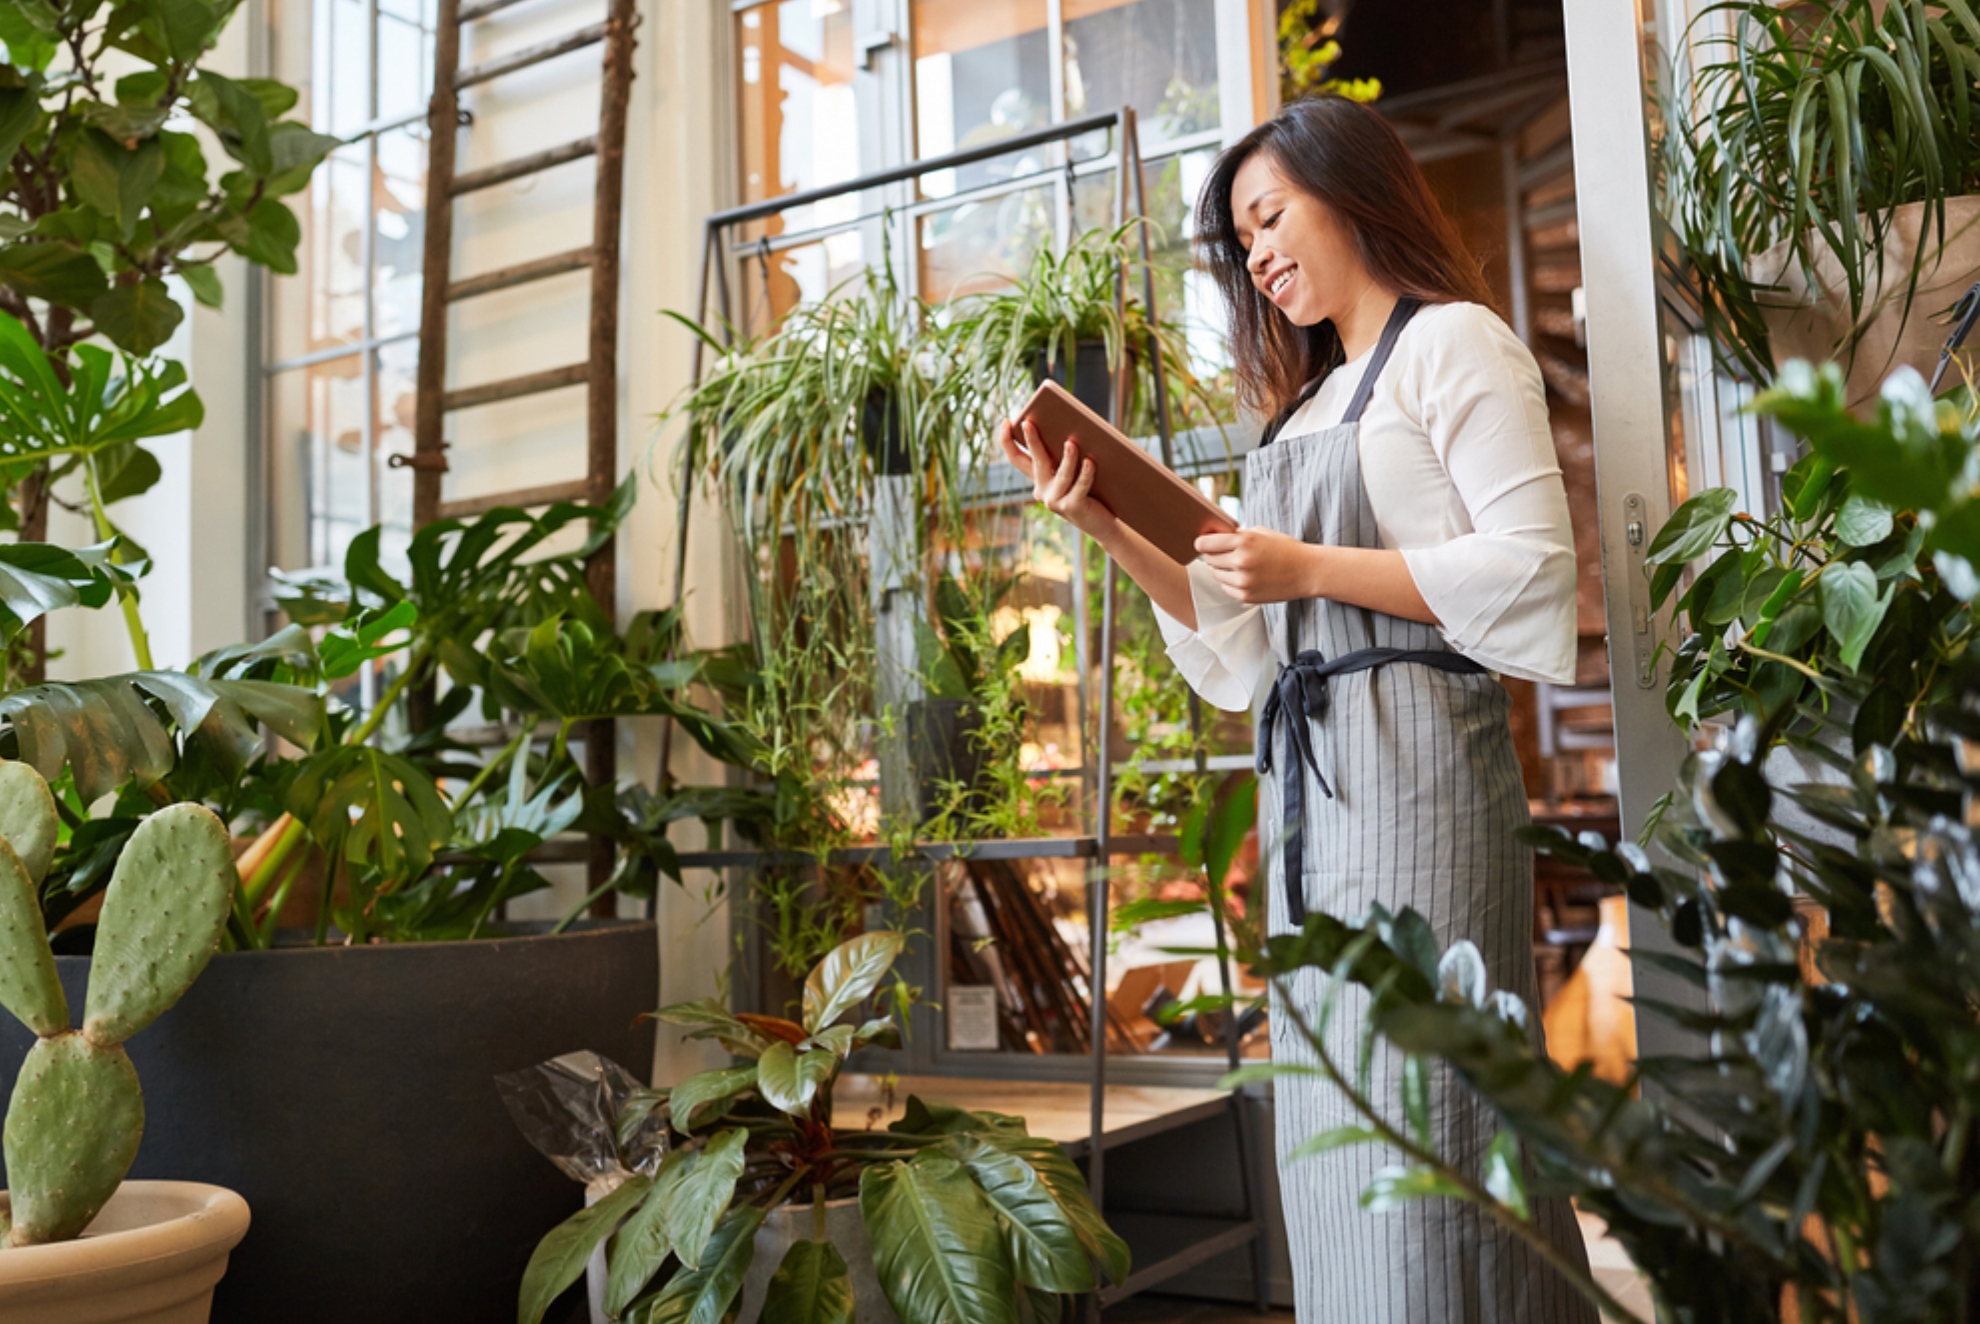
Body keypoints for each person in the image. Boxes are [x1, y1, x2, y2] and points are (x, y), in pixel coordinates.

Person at [997, 95, 1598, 1323]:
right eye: (1243, 240)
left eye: (1271, 217)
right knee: (1337, 1130)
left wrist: (1306, 565)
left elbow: (1534, 571)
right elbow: (1244, 645)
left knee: (1429, 1117)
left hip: (1423, 774)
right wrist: (1104, 520)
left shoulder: (1455, 345)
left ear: (1354, 190)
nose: (1259, 255)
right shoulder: (1302, 411)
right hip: (1315, 800)